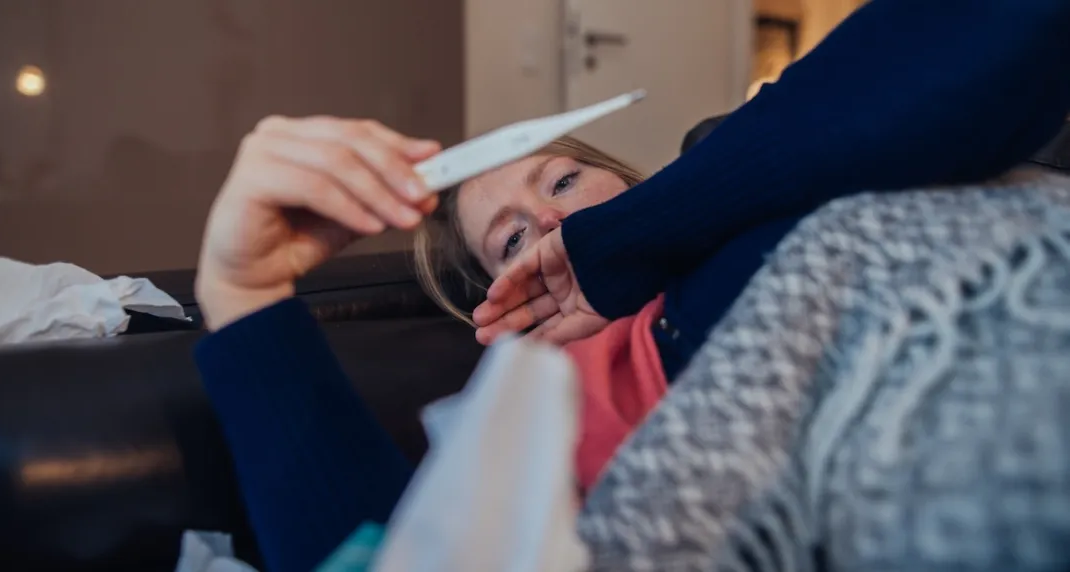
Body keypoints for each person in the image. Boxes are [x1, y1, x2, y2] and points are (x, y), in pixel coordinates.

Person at [194, 0, 1070, 570]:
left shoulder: (739, 174)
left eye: (567, 184)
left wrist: (634, 238)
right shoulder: (539, 399)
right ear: (494, 304)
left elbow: (986, 45)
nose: (556, 228)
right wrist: (244, 294)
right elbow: (387, 553)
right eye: (515, 239)